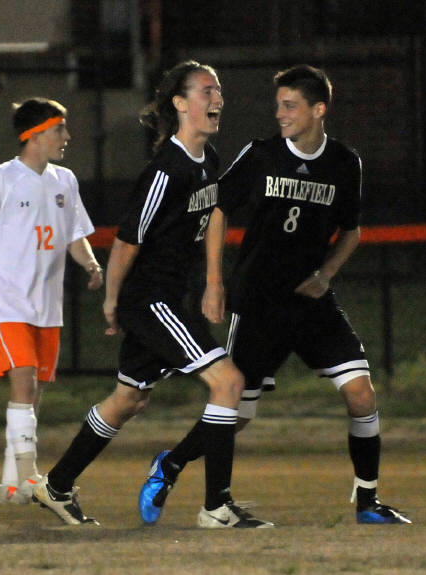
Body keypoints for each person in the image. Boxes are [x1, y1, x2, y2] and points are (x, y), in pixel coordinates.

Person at [138, 64, 411, 525]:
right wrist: (215, 282)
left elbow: (351, 230)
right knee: (237, 414)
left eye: (290, 105)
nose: (280, 114)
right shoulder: (262, 154)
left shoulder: (345, 162)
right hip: (258, 303)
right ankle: (172, 464)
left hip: (312, 304)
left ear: (318, 110)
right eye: (278, 105)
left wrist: (326, 274)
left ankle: (368, 501)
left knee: (361, 395)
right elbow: (219, 208)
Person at [32, 60, 274, 529]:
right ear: (180, 103)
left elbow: (212, 219)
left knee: (127, 400)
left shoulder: (209, 161)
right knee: (228, 383)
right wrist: (111, 301)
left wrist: (213, 282)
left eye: (218, 90)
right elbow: (128, 241)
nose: (217, 98)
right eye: (206, 91)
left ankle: (56, 485)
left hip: (172, 300)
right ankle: (217, 507)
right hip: (151, 300)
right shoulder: (167, 169)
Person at [0, 98, 103, 505]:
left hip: (46, 304)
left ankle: (11, 482)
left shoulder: (65, 180)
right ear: (34, 135)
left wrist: (90, 263)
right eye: (59, 129)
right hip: (7, 300)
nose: (66, 137)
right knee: (25, 380)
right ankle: (30, 477)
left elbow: (74, 234)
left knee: (34, 393)